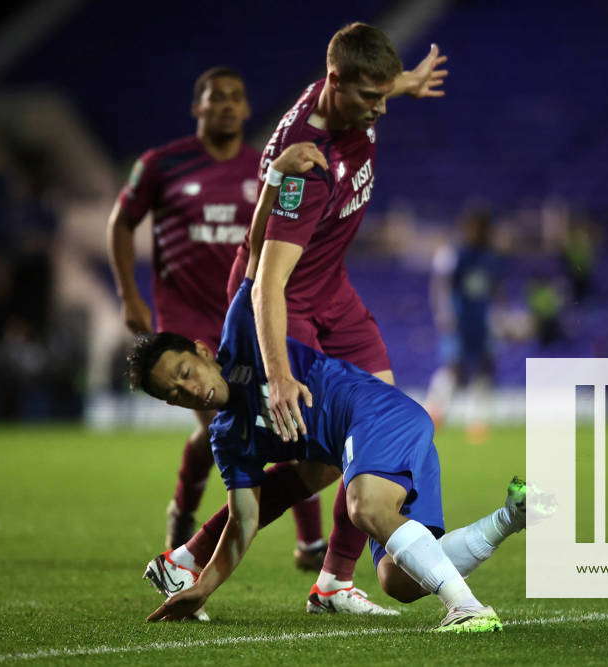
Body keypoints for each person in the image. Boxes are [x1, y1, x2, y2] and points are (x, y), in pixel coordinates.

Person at [126, 187, 553, 629]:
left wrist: (275, 180)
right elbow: (244, 520)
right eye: (173, 393)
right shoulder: (228, 438)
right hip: (382, 440)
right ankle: (510, 516)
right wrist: (203, 587)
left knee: (363, 505)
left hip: (376, 413)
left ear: (202, 351)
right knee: (399, 580)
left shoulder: (244, 337)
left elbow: (256, 255)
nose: (188, 390)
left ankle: (467, 609)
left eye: (184, 372)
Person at [157, 23, 450, 616]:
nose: (379, 109)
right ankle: (195, 556)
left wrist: (402, 82)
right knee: (320, 464)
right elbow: (266, 278)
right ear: (336, 85)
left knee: (372, 426)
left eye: (382, 95)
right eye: (371, 98)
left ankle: (321, 580)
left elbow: (363, 77)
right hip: (285, 299)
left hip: (330, 288)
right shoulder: (309, 165)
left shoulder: (344, 93)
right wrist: (279, 371)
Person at [106, 67, 328, 570]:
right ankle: (198, 522)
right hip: (187, 322)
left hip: (248, 312)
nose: (227, 105)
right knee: (221, 421)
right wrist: (127, 294)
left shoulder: (263, 166)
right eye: (216, 98)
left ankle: (292, 538)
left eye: (236, 97)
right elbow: (121, 222)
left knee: (278, 410)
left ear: (248, 109)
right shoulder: (162, 165)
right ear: (197, 108)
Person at [424, 209, 503, 442]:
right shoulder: (454, 254)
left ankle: (478, 421)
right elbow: (441, 285)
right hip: (459, 321)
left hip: (482, 321)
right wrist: (443, 313)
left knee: (485, 368)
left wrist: (499, 315)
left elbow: (496, 289)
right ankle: (434, 412)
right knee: (453, 367)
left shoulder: (491, 257)